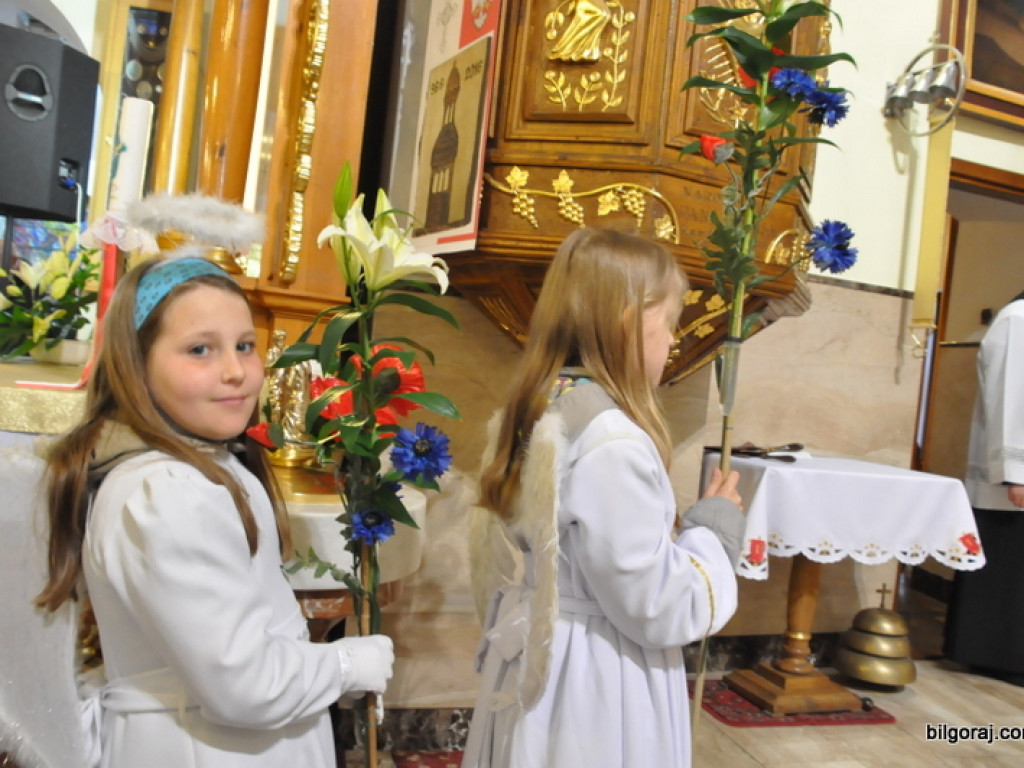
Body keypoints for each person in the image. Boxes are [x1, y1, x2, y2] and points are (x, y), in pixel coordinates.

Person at [35, 253, 394, 767]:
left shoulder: (193, 468)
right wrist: (350, 662)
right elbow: (246, 685)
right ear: (136, 364)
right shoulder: (167, 492)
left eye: (244, 346)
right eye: (199, 349)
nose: (234, 371)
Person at [463, 228, 744, 768]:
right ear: (629, 322)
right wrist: (714, 530)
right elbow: (656, 604)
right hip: (594, 675)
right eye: (669, 324)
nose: (673, 342)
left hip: (547, 647)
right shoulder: (612, 442)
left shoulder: (547, 405)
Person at [945, 288, 1024, 685]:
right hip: (1011, 480)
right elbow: (1012, 397)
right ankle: (997, 657)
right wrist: (1017, 472)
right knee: (1009, 568)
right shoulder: (1019, 319)